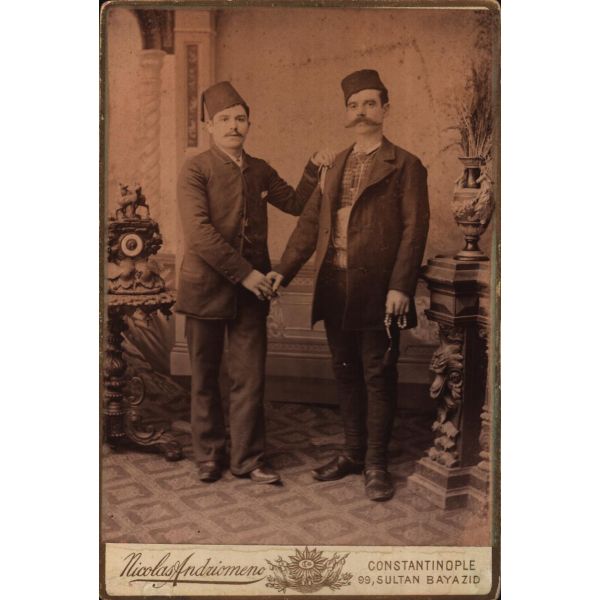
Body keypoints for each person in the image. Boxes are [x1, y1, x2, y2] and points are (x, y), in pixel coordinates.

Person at [267, 69, 430, 501]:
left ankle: (376, 463)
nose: (361, 112)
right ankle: (354, 453)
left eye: (369, 104)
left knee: (377, 372)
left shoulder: (406, 165)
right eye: (354, 105)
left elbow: (414, 230)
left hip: (379, 289)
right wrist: (284, 270)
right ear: (346, 112)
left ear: (385, 109)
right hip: (335, 284)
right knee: (344, 370)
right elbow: (309, 225)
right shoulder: (334, 164)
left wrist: (400, 287)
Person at [176, 81, 332, 485]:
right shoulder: (195, 169)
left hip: (251, 295)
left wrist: (313, 169)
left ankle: (247, 458)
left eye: (240, 118)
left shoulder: (260, 169)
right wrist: (246, 274)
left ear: (249, 124)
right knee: (205, 377)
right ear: (209, 126)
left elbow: (296, 204)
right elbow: (199, 233)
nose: (233, 126)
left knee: (250, 378)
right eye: (224, 119)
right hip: (206, 288)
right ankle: (209, 455)